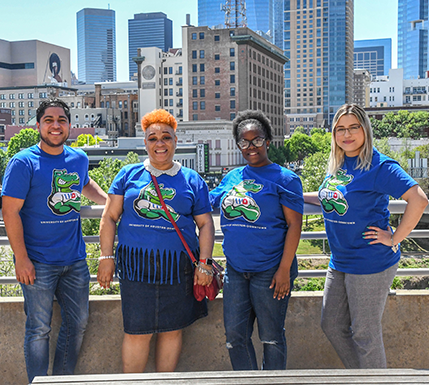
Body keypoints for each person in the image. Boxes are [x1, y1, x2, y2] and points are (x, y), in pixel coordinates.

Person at [304, 104, 428, 369]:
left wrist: (395, 238)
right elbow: (334, 196)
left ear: (365, 130)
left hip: (369, 261)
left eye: (353, 127)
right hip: (340, 260)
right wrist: (300, 197)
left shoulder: (379, 166)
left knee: (365, 333)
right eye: (340, 129)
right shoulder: (338, 164)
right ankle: (362, 376)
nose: (346, 134)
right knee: (332, 324)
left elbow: (418, 199)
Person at [97, 109, 214, 373]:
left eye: (166, 137)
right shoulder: (127, 174)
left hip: (179, 268)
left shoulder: (193, 180)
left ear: (176, 140)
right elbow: (109, 217)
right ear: (144, 142)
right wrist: (106, 257)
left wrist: (204, 264)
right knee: (137, 331)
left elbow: (206, 224)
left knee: (172, 330)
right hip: (135, 268)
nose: (159, 144)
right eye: (152, 138)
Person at [1, 98, 107, 383]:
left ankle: (61, 380)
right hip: (37, 261)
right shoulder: (23, 162)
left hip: (74, 261)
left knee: (79, 324)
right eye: (49, 120)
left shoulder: (78, 158)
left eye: (61, 120)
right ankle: (38, 382)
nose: (55, 125)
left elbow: (84, 183)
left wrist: (110, 204)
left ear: (69, 126)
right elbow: (10, 212)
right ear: (38, 125)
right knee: (38, 329)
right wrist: (21, 259)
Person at [209, 110, 303, 370]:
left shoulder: (285, 179)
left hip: (271, 270)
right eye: (244, 142)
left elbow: (295, 224)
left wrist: (284, 270)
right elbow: (204, 202)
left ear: (268, 141)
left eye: (257, 140)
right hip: (236, 271)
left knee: (271, 338)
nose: (251, 147)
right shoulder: (232, 177)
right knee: (235, 338)